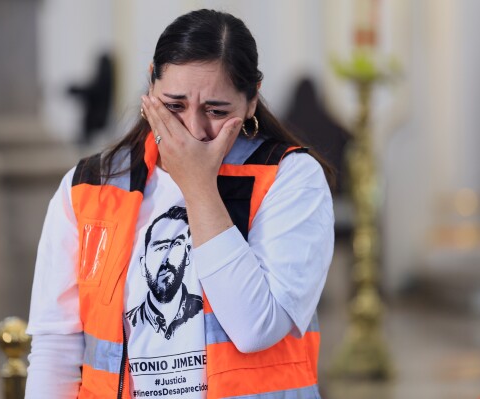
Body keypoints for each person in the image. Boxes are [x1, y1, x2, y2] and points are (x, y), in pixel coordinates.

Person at [25, 9, 334, 399]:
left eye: (216, 111)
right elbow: (56, 349)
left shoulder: (291, 179)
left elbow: (256, 327)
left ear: (252, 98)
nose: (193, 129)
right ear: (152, 83)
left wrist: (198, 186)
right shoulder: (90, 185)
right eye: (174, 105)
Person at [125, 205, 203, 340]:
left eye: (176, 245)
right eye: (160, 247)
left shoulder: (203, 311)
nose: (166, 260)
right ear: (143, 264)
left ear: (188, 254)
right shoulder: (130, 321)